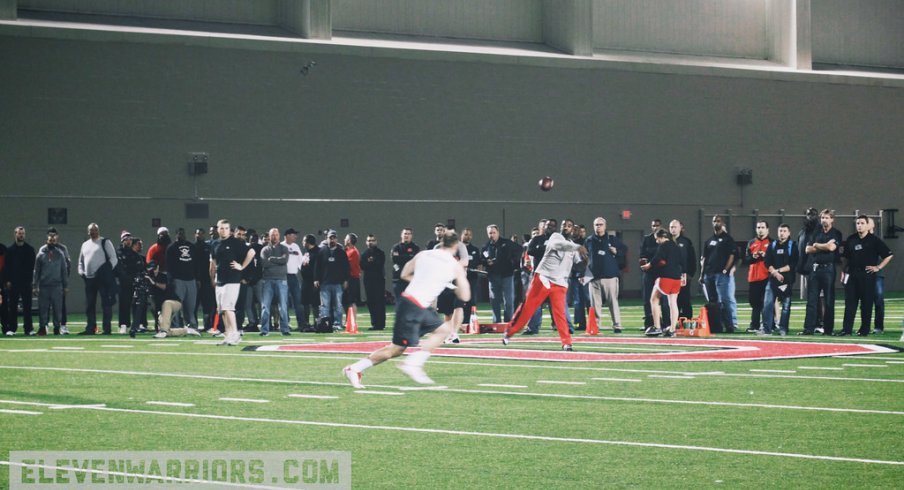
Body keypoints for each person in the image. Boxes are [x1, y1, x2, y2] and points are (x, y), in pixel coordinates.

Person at [342, 230, 471, 388]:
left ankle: (359, 368)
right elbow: (465, 296)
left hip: (415, 304)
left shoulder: (423, 254)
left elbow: (404, 274)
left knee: (443, 331)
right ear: (456, 245)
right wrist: (452, 285)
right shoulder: (452, 264)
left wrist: (429, 281)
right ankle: (358, 368)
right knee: (396, 349)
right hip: (414, 306)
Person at [502, 220, 587, 351]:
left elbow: (578, 265)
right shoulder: (555, 237)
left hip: (560, 283)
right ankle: (510, 331)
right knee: (528, 308)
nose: (566, 227)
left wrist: (586, 261)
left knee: (560, 313)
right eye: (564, 225)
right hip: (544, 277)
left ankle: (566, 342)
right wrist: (577, 247)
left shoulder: (573, 246)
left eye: (569, 226)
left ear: (573, 229)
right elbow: (559, 245)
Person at [837, 215, 893, 337]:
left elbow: (888, 254)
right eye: (858, 223)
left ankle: (864, 330)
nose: (859, 225)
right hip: (852, 274)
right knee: (850, 303)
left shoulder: (874, 240)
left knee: (866, 303)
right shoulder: (851, 239)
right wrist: (843, 272)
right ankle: (846, 329)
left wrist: (878, 267)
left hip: (867, 275)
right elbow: (846, 258)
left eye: (862, 223)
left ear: (867, 225)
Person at [209, 219, 255, 346]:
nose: (224, 230)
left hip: (232, 280)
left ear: (230, 230)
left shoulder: (236, 242)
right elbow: (213, 260)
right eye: (222, 228)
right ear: (218, 229)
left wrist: (241, 266)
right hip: (220, 280)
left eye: (226, 228)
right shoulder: (214, 243)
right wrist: (215, 274)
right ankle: (228, 335)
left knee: (228, 307)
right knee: (221, 309)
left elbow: (251, 252)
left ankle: (235, 334)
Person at [801, 209, 842, 336]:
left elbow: (832, 247)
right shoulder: (816, 232)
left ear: (832, 219)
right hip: (815, 268)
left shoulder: (836, 233)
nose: (824, 220)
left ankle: (828, 330)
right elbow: (807, 249)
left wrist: (817, 245)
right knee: (812, 300)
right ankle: (809, 328)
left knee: (829, 300)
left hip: (828, 269)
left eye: (826, 217)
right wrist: (823, 245)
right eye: (822, 217)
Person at [584, 217, 627, 333]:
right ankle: (595, 326)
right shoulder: (589, 240)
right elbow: (584, 257)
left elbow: (624, 250)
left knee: (613, 301)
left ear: (605, 226)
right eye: (596, 224)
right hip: (594, 277)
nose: (598, 226)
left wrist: (617, 252)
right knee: (594, 304)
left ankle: (617, 324)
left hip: (610, 276)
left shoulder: (612, 239)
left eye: (600, 224)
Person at [77, 223, 119, 335]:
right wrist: (81, 272)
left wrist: (106, 271)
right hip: (89, 279)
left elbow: (114, 258)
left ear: (98, 231)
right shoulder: (85, 245)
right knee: (89, 305)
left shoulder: (105, 242)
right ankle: (90, 328)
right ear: (88, 232)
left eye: (95, 230)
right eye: (91, 230)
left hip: (102, 279)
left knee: (106, 304)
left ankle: (107, 329)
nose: (93, 232)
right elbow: (80, 261)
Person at [641, 229, 682, 336]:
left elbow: (657, 258)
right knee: (673, 303)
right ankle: (672, 329)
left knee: (654, 299)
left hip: (666, 277)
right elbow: (682, 261)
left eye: (657, 239)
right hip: (677, 278)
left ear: (661, 237)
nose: (656, 241)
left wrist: (648, 265)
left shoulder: (663, 246)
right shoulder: (676, 246)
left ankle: (657, 327)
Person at [700, 215, 736, 333]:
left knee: (725, 300)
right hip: (709, 274)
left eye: (718, 221)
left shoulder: (728, 239)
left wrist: (726, 269)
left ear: (722, 223)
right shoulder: (709, 241)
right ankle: (716, 326)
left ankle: (729, 325)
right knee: (713, 302)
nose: (716, 223)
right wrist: (702, 274)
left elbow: (732, 256)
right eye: (714, 221)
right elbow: (704, 259)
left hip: (721, 274)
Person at [762, 224, 798, 336]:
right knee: (768, 303)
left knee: (786, 306)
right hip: (773, 279)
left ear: (789, 233)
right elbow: (767, 262)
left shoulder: (793, 245)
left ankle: (783, 328)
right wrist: (775, 273)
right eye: (780, 231)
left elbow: (793, 264)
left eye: (784, 231)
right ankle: (767, 329)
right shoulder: (772, 245)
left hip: (787, 280)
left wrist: (779, 271)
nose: (782, 233)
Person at [32, 229, 68, 336]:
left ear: (55, 241)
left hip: (57, 285)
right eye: (50, 240)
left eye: (53, 240)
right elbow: (36, 271)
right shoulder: (41, 253)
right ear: (46, 240)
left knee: (57, 309)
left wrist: (65, 286)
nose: (51, 241)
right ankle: (43, 327)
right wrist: (35, 285)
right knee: (43, 308)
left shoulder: (60, 253)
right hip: (44, 286)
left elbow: (64, 270)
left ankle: (57, 328)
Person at [3, 226, 36, 336]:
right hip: (13, 283)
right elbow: (6, 267)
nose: (21, 235)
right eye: (19, 233)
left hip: (26, 283)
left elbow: (32, 267)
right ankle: (12, 328)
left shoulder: (30, 250)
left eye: (22, 233)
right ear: (15, 234)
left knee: (27, 307)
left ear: (24, 235)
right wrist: (7, 280)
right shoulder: (10, 250)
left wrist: (32, 281)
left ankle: (29, 329)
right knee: (13, 307)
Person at [482, 224, 518, 323]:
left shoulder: (507, 243)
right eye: (490, 233)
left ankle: (508, 322)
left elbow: (519, 250)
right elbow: (482, 259)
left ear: (498, 233)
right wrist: (486, 262)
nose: (492, 235)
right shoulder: (485, 246)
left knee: (508, 301)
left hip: (507, 275)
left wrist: (514, 264)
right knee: (494, 301)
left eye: (494, 232)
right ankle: (496, 322)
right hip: (493, 277)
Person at [165, 228, 199, 332]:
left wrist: (197, 278)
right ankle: (175, 326)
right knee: (176, 305)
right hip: (178, 279)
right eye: (179, 233)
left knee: (190, 305)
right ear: (176, 235)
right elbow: (169, 266)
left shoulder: (192, 247)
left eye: (183, 233)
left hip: (191, 280)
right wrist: (171, 280)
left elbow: (196, 264)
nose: (181, 235)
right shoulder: (171, 247)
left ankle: (191, 326)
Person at [315, 230, 349, 330]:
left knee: (338, 305)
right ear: (327, 239)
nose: (332, 240)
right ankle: (325, 324)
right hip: (325, 283)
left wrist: (346, 280)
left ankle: (338, 324)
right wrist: (316, 279)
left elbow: (346, 267)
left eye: (334, 238)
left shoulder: (341, 252)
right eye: (330, 238)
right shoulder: (322, 251)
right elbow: (317, 267)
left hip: (337, 283)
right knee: (324, 306)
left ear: (336, 239)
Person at [259, 228, 290, 336]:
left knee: (283, 306)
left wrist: (271, 259)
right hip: (267, 280)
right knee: (265, 306)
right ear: (269, 236)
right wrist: (278, 261)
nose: (274, 237)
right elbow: (264, 264)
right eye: (272, 235)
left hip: (282, 280)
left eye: (276, 235)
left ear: (279, 236)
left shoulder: (284, 248)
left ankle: (285, 329)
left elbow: (284, 261)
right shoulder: (264, 250)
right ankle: (264, 330)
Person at [640, 219, 669, 331]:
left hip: (662, 272)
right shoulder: (647, 239)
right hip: (650, 273)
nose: (655, 227)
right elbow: (642, 255)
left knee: (665, 300)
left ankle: (667, 323)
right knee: (647, 299)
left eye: (657, 225)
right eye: (653, 225)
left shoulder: (666, 240)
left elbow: (662, 255)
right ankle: (649, 323)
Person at [745, 221, 772, 333]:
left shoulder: (772, 242)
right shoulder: (751, 242)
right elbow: (746, 259)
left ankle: (768, 325)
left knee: (766, 303)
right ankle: (754, 325)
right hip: (753, 277)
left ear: (767, 229)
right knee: (754, 302)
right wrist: (753, 256)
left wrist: (766, 256)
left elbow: (775, 259)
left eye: (762, 227)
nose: (760, 229)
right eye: (758, 227)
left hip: (767, 277)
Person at [669, 219, 696, 319]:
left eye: (675, 227)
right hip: (670, 275)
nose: (673, 229)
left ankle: (688, 321)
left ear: (680, 228)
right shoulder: (667, 241)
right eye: (671, 227)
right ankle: (671, 321)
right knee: (672, 300)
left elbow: (692, 259)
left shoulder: (686, 242)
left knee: (685, 299)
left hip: (683, 276)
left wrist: (690, 274)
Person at [360, 234, 386, 330]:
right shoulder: (364, 253)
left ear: (376, 241)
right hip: (368, 280)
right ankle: (374, 323)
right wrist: (371, 263)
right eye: (368, 240)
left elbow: (379, 264)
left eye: (372, 240)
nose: (370, 242)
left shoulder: (380, 253)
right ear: (366, 242)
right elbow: (362, 265)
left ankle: (381, 324)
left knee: (379, 302)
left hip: (379, 280)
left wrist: (370, 263)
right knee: (371, 302)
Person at [282, 228, 306, 330]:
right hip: (283, 276)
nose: (295, 236)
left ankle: (301, 323)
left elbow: (301, 262)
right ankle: (285, 324)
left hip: (293, 277)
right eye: (293, 234)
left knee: (298, 301)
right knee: (284, 302)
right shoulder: (281, 246)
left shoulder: (295, 246)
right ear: (287, 235)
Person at [867, 218, 887, 334]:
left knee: (878, 299)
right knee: (865, 301)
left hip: (876, 275)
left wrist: (878, 267)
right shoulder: (858, 239)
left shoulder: (877, 240)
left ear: (872, 225)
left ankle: (879, 326)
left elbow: (887, 255)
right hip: (863, 275)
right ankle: (866, 325)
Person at [391, 228, 420, 304]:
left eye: (408, 233)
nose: (406, 235)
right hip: (398, 280)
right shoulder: (396, 247)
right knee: (400, 304)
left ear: (411, 236)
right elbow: (395, 259)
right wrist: (409, 257)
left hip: (410, 280)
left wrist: (401, 257)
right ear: (401, 235)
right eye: (405, 233)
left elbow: (415, 260)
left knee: (412, 304)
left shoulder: (415, 247)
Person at [460, 228, 481, 326]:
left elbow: (479, 264)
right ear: (461, 235)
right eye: (465, 234)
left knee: (471, 300)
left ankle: (470, 321)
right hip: (459, 278)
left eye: (469, 235)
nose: (467, 236)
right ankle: (459, 321)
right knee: (460, 300)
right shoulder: (457, 248)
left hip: (472, 278)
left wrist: (478, 269)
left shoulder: (475, 250)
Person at [299, 234, 321, 329]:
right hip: (306, 281)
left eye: (304, 241)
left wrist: (316, 279)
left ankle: (317, 323)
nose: (302, 243)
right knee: (305, 302)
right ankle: (306, 323)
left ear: (308, 242)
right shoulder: (306, 252)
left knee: (315, 303)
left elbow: (317, 267)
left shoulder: (318, 252)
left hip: (314, 282)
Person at [344, 233, 362, 314]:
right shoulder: (348, 250)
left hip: (352, 279)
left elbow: (348, 267)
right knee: (347, 301)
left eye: (346, 238)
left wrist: (346, 280)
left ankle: (352, 321)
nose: (344, 240)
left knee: (352, 301)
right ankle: (349, 320)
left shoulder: (353, 252)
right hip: (350, 278)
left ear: (349, 241)